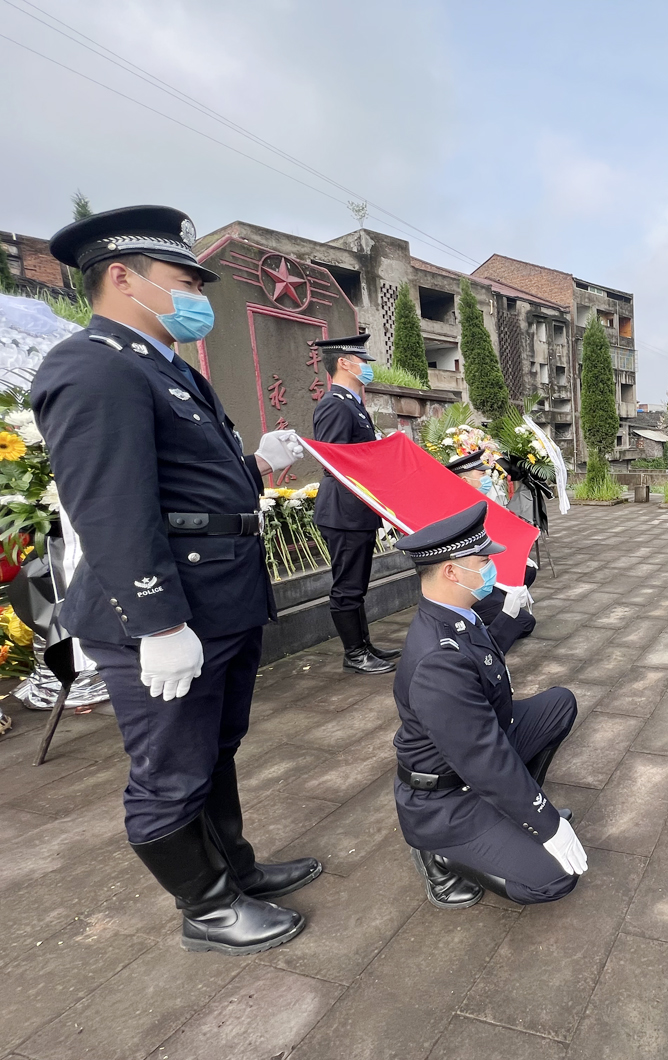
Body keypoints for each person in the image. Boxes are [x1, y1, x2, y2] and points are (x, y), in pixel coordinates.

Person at [33, 205, 319, 954]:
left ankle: (235, 869)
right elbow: (112, 505)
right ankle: (207, 907)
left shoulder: (162, 368)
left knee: (214, 750)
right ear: (121, 278)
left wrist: (258, 462)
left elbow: (182, 487)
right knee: (171, 770)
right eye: (183, 279)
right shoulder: (93, 365)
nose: (197, 293)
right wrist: (157, 622)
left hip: (220, 600)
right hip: (167, 612)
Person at [393, 502, 586, 907]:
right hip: (447, 796)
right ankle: (442, 856)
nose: (491, 568)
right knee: (555, 879)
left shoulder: (455, 612)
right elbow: (484, 758)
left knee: (558, 705)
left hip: (475, 751)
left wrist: (511, 619)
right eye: (483, 560)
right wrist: (546, 824)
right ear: (451, 571)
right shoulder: (437, 662)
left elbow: (478, 659)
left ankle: (510, 812)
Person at [310, 334, 399, 675]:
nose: (367, 367)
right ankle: (354, 654)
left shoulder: (352, 403)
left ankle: (364, 644)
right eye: (363, 361)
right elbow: (335, 461)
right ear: (344, 363)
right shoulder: (335, 404)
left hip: (355, 510)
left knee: (357, 583)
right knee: (347, 585)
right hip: (343, 510)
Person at [447, 450, 538, 653]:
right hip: (468, 583)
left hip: (485, 573)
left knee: (528, 571)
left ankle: (498, 608)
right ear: (464, 479)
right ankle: (478, 628)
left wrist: (519, 555)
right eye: (481, 474)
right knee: (526, 623)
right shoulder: (456, 511)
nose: (487, 478)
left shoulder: (476, 503)